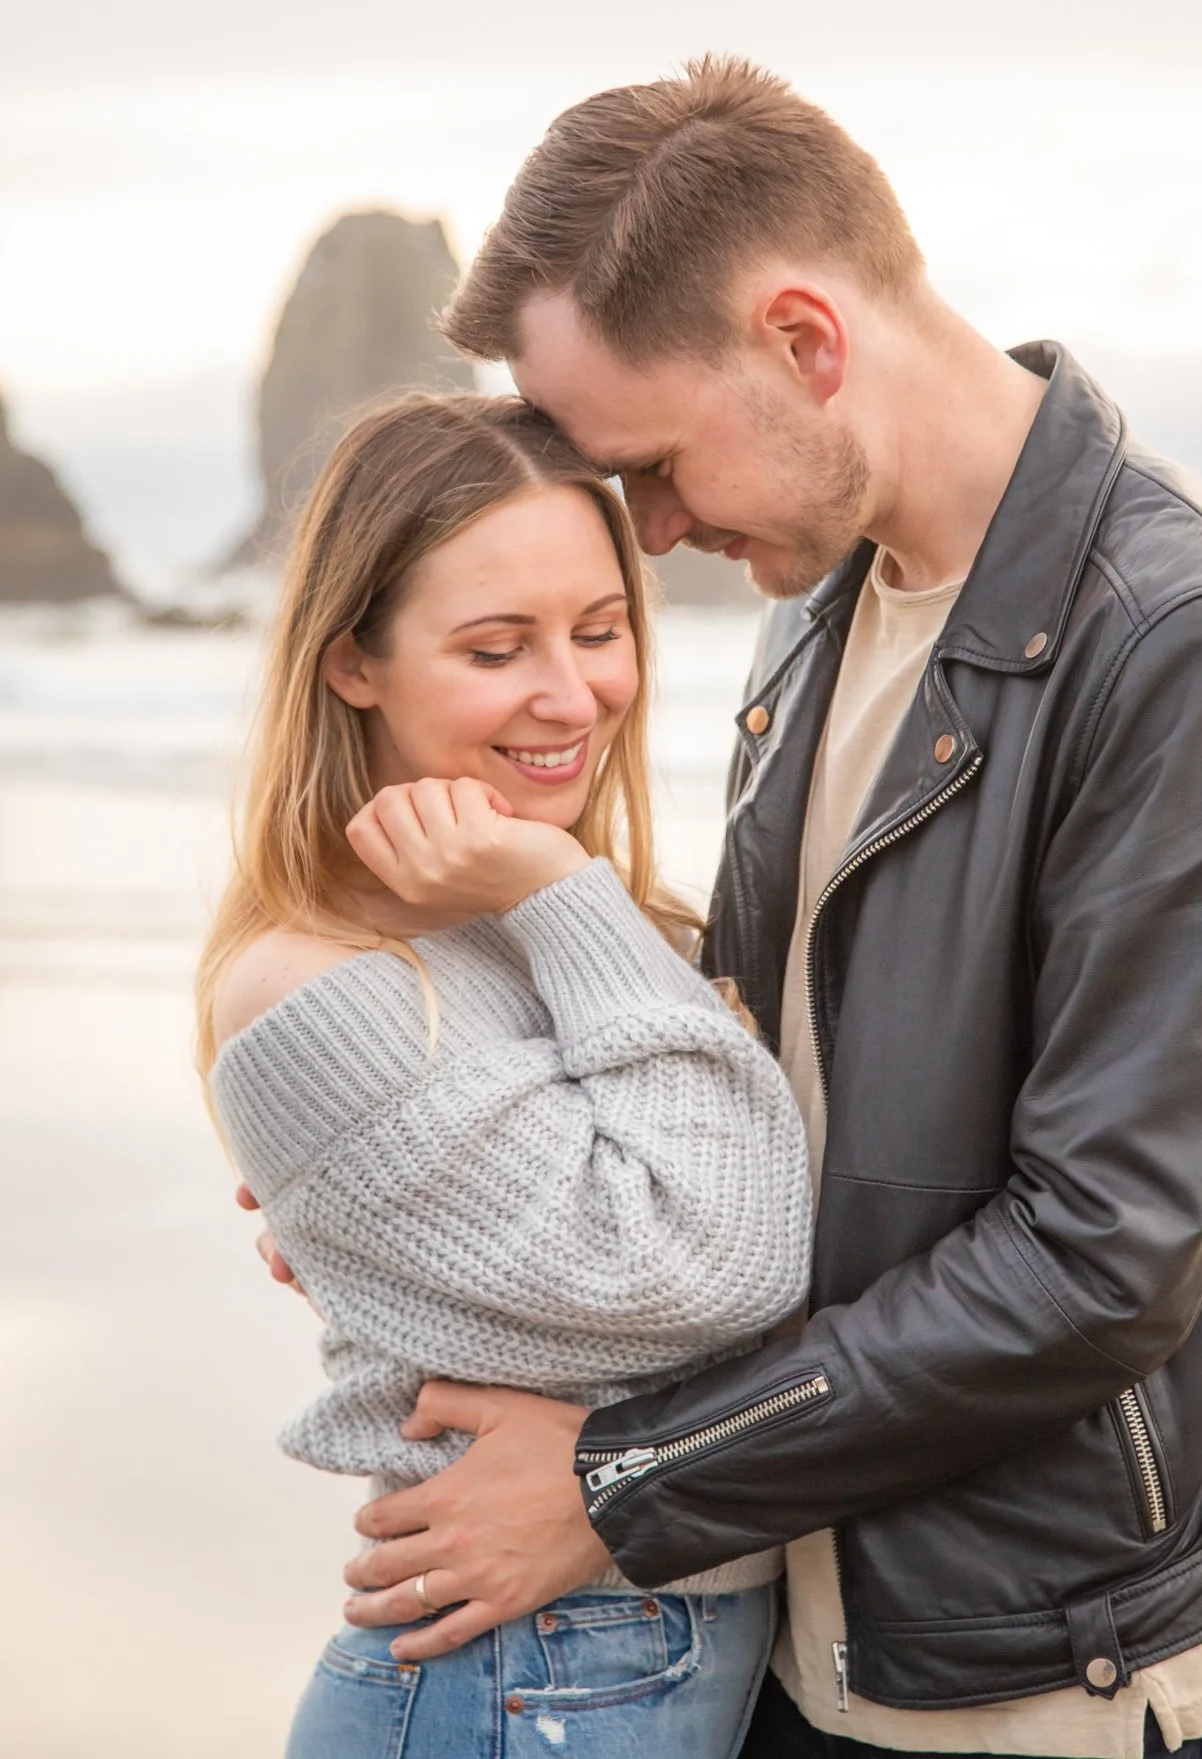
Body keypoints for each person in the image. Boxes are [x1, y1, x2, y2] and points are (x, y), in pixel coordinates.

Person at [333, 59, 1202, 1759]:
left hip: (1090, 1685)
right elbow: (763, 1069)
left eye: (649, 464)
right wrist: (431, 1156)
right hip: (812, 1633)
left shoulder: (1185, 643)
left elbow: (1099, 1264)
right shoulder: (820, 604)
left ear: (804, 344)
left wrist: (619, 1485)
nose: (644, 533)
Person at [199, 391, 813, 1758]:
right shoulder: (315, 984)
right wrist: (563, 886)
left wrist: (569, 901)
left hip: (624, 1664)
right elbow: (722, 1265)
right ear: (353, 660)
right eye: (495, 648)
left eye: (602, 631)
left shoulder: (591, 928)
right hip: (519, 1685)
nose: (571, 692)